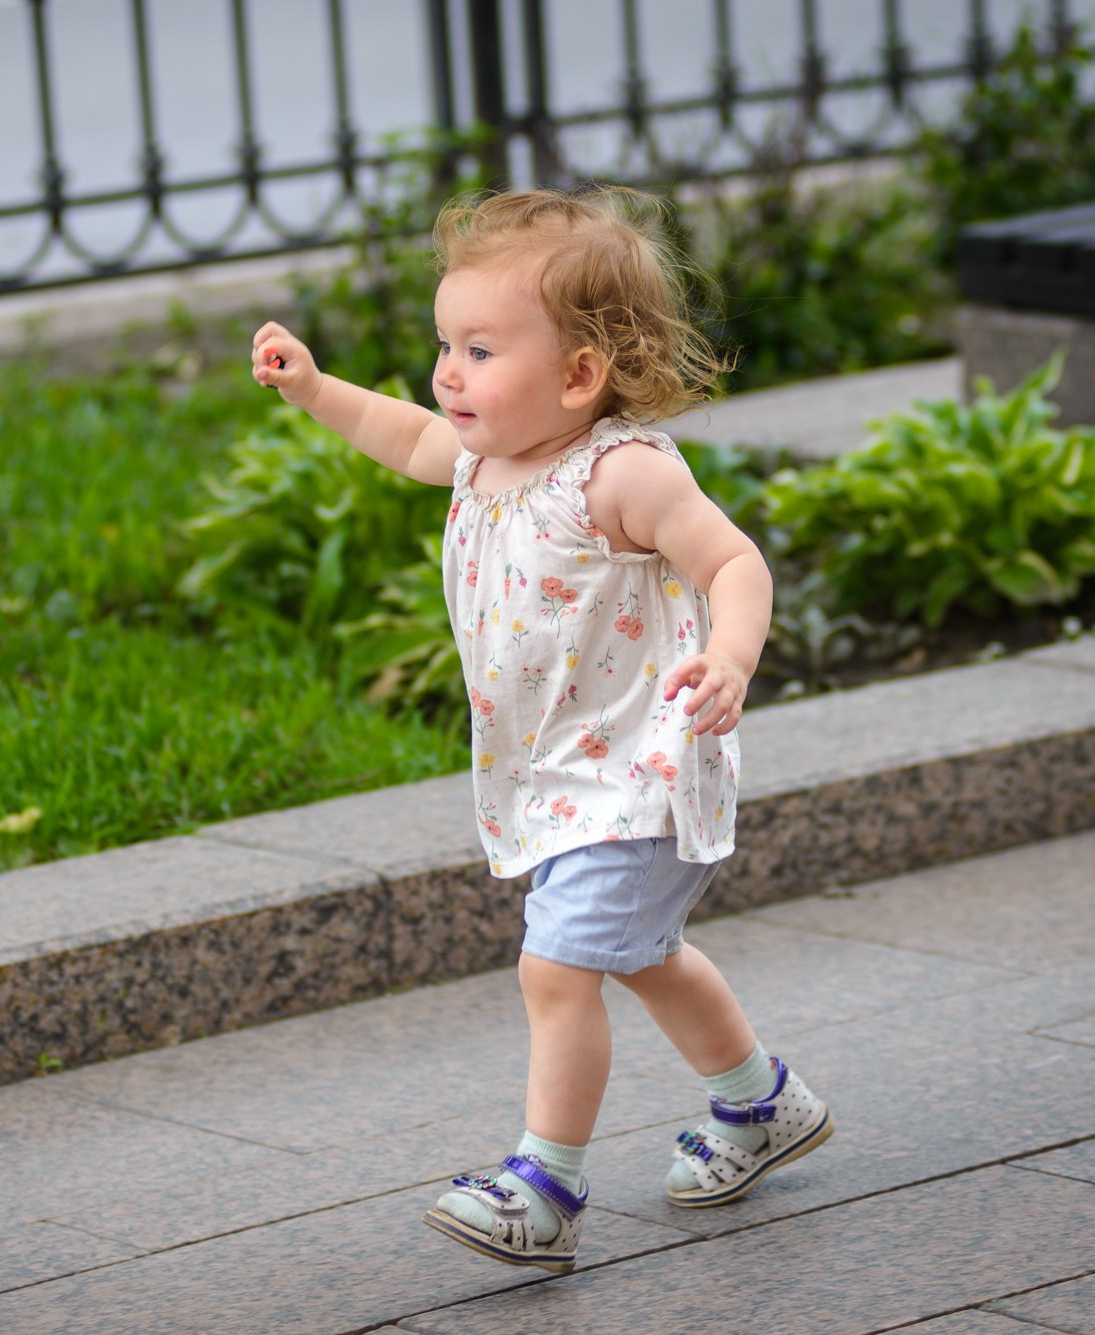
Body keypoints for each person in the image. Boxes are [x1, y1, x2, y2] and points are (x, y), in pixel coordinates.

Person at [249, 187, 832, 1273]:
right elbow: (403, 433)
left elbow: (733, 562)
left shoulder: (619, 473)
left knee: (556, 967)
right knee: (644, 956)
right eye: (443, 344)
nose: (447, 373)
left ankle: (545, 1184)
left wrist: (733, 654)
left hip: (639, 770)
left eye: (478, 349)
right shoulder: (482, 458)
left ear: (578, 376)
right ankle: (761, 1105)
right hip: (564, 774)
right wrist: (319, 389)